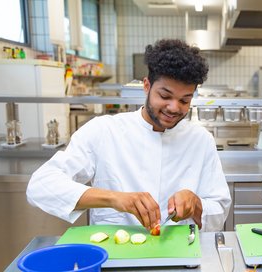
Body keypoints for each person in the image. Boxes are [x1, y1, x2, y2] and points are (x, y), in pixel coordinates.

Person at [27, 39, 231, 232]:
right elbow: (41, 186)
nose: (174, 107)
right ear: (146, 86)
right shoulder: (104, 131)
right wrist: (113, 198)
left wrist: (196, 204)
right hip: (116, 255)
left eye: (184, 100)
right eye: (165, 96)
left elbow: (219, 210)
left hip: (183, 255)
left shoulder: (200, 140)